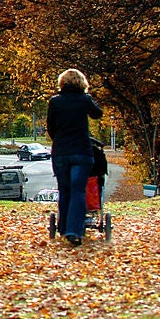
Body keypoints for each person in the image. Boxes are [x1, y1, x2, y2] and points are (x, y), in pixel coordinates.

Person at [46, 68, 104, 246]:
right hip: (82, 151)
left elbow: (50, 127)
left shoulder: (55, 102)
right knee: (78, 190)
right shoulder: (84, 100)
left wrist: (60, 140)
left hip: (61, 152)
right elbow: (98, 113)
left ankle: (63, 228)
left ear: (62, 83)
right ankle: (74, 231)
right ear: (81, 83)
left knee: (64, 191)